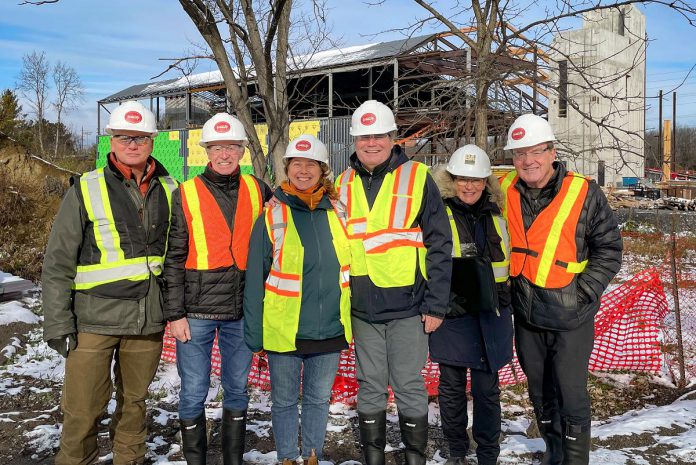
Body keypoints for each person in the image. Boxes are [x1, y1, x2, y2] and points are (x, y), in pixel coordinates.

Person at [42, 100, 178, 465]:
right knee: (83, 411)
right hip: (93, 322)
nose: (131, 144)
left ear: (152, 140)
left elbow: (177, 258)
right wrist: (58, 321)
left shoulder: (171, 188)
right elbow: (57, 261)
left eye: (139, 137)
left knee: (134, 406)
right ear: (111, 141)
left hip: (146, 322)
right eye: (123, 138)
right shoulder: (85, 188)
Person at [500, 114, 623, 465]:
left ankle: (574, 460)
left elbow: (609, 249)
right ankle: (555, 454)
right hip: (527, 316)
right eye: (519, 153)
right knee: (540, 393)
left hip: (571, 317)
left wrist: (584, 291)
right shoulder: (507, 190)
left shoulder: (584, 192)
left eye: (536, 151)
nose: (528, 160)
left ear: (552, 152)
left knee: (571, 395)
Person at [335, 100, 452, 465]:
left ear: (392, 138)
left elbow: (439, 243)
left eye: (378, 136)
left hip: (408, 306)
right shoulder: (342, 183)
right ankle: (374, 457)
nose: (371, 143)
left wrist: (436, 304)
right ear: (355, 140)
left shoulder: (418, 177)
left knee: (408, 384)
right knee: (369, 386)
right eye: (364, 137)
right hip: (362, 307)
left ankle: (414, 457)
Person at [162, 113, 272, 465]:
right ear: (206, 151)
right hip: (196, 313)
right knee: (194, 390)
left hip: (242, 311)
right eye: (217, 147)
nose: (224, 154)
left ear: (242, 150)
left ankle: (233, 460)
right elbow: (174, 257)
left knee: (238, 389)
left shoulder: (259, 188)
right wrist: (175, 314)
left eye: (231, 146)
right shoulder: (187, 193)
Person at [244, 134, 352, 465]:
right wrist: (254, 333)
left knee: (319, 399)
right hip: (284, 330)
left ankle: (312, 456)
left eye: (310, 165)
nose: (303, 171)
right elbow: (254, 278)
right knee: (285, 401)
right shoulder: (271, 215)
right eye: (296, 164)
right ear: (287, 168)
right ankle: (288, 457)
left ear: (323, 170)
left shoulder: (339, 212)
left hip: (329, 329)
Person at [429, 144, 514, 465]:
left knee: (486, 389)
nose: (469, 186)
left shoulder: (499, 211)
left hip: (492, 312)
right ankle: (456, 451)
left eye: (476, 180)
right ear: (452, 179)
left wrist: (509, 294)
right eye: (463, 179)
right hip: (453, 312)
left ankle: (488, 452)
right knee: (451, 388)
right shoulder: (437, 211)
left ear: (486, 182)